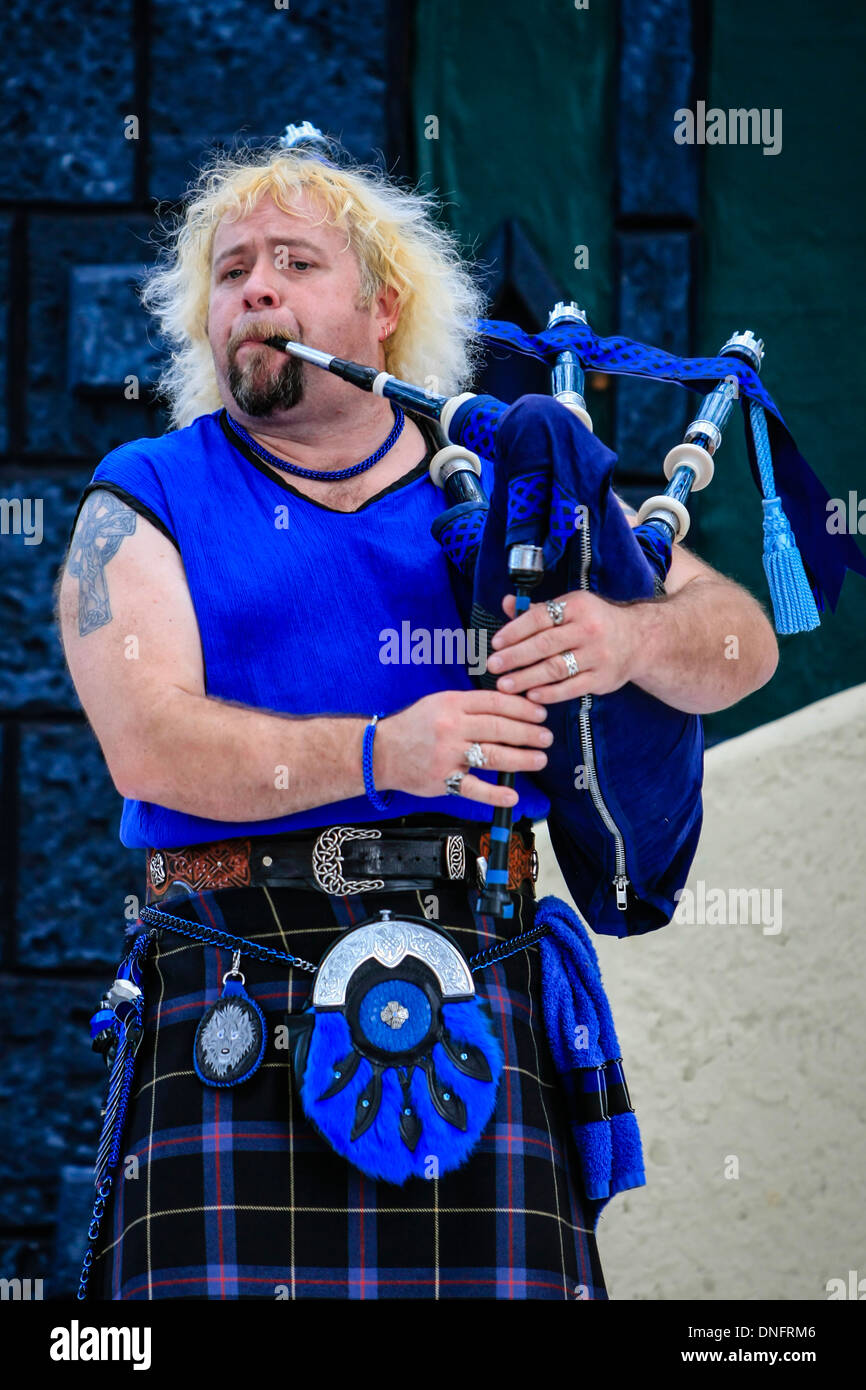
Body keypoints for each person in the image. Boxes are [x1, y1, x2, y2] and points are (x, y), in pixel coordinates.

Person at [55, 133, 778, 1301]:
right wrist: (384, 751)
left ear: (383, 305)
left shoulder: (513, 476)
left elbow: (738, 649)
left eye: (293, 261)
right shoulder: (147, 490)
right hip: (232, 987)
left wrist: (627, 635)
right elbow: (149, 740)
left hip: (476, 984)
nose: (256, 290)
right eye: (231, 270)